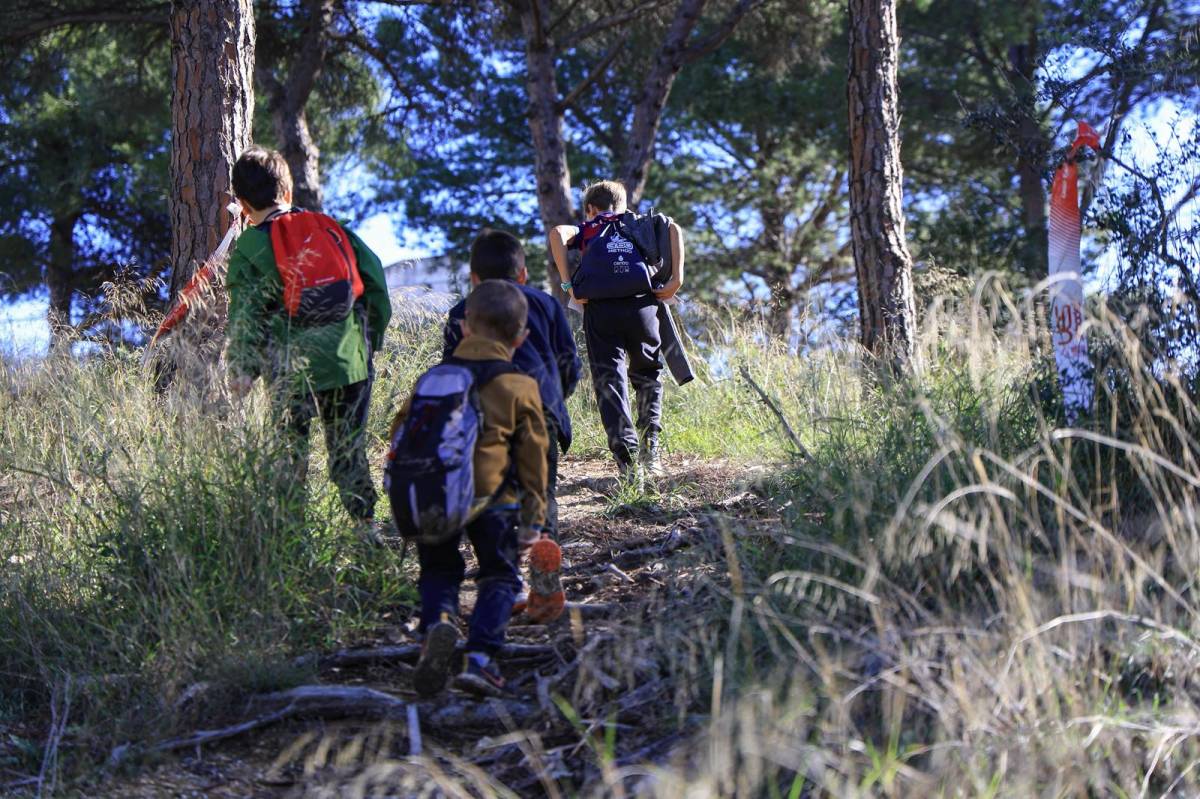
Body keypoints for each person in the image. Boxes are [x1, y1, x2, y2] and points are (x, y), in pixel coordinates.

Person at [395, 280, 552, 697]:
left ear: (464, 328)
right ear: (521, 337)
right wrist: (534, 518)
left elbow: (402, 433)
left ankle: (438, 628)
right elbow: (534, 455)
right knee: (500, 575)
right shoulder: (519, 384)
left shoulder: (433, 378)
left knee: (440, 570)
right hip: (494, 499)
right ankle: (480, 659)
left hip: (436, 493)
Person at [225, 146, 392, 528]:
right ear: (287, 191)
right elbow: (375, 278)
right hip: (349, 359)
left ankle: (293, 540)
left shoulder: (249, 246)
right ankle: (365, 533)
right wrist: (371, 339)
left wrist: (243, 370)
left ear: (242, 204)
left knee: (290, 455)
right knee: (347, 450)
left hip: (290, 369)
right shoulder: (330, 226)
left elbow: (246, 316)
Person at [443, 229, 581, 540]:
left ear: (474, 278)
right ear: (523, 274)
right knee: (542, 494)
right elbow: (569, 364)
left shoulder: (460, 312)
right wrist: (555, 401)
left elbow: (452, 373)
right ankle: (545, 572)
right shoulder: (545, 304)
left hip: (485, 420)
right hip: (540, 411)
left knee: (494, 496)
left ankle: (501, 571)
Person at [548, 180, 685, 480]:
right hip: (643, 307)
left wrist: (569, 285)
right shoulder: (637, 223)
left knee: (610, 380)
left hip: (601, 310)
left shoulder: (589, 226)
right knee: (648, 374)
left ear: (589, 208)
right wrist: (677, 279)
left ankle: (627, 460)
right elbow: (673, 228)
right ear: (623, 205)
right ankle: (652, 450)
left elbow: (558, 234)